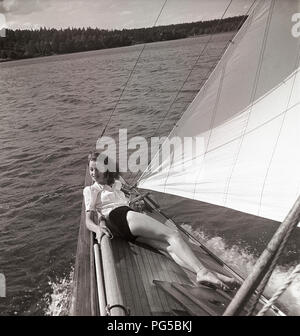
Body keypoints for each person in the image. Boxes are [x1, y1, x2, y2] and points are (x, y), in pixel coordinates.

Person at [83, 151, 237, 291]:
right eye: (91, 169)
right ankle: (202, 272)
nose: (93, 173)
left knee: (169, 248)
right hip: (121, 216)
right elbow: (88, 221)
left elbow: (124, 197)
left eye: (96, 169)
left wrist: (131, 201)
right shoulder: (91, 190)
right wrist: (97, 229)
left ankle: (213, 275)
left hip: (126, 227)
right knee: (173, 235)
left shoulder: (116, 184)